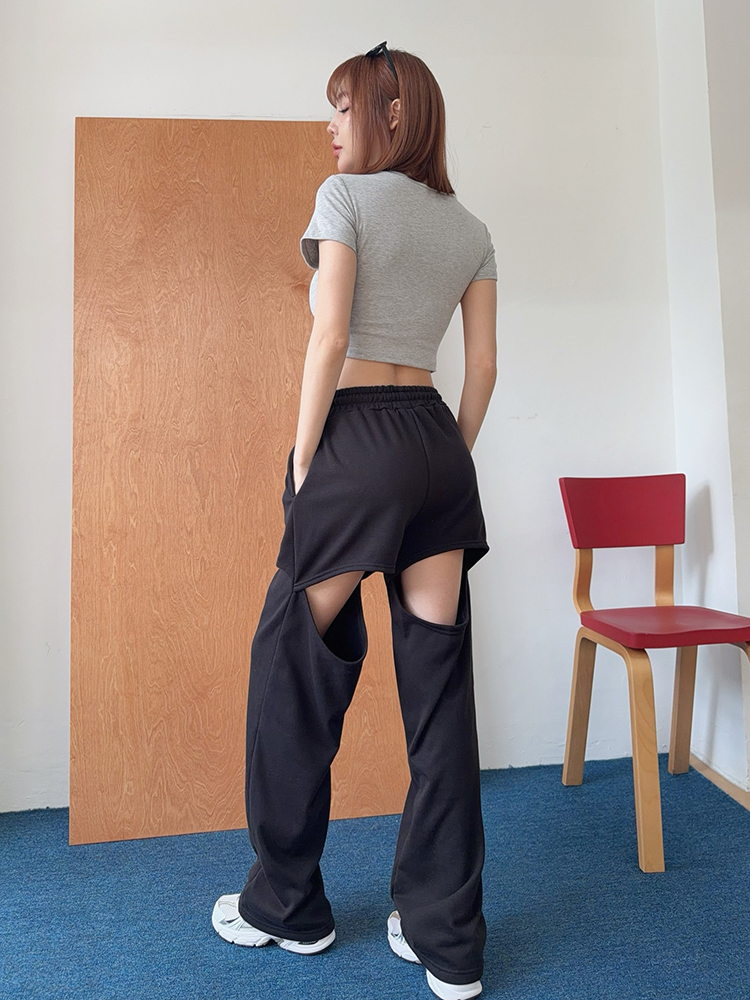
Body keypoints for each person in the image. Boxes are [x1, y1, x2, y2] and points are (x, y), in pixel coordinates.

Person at [211, 41, 497, 1000]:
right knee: (440, 693)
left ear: (393, 115)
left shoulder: (344, 200)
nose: (330, 125)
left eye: (343, 107)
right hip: (436, 444)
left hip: (355, 440)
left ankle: (286, 905)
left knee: (290, 670)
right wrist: (446, 458)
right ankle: (447, 939)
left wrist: (306, 460)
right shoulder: (471, 229)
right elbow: (484, 368)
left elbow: (329, 335)